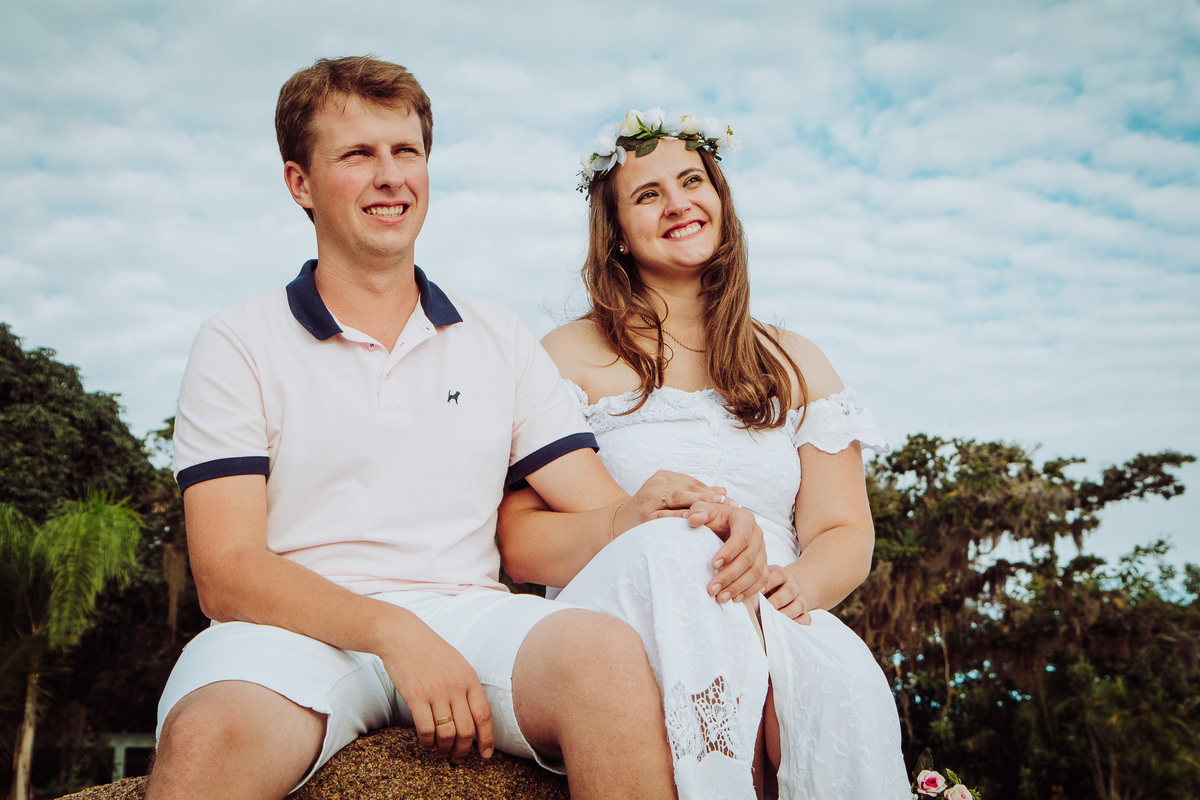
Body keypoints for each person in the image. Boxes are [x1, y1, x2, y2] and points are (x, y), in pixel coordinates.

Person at [146, 61, 769, 800]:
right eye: (357, 155)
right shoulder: (237, 339)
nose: (390, 177)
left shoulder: (498, 337)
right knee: (207, 737)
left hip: (469, 618)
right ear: (299, 184)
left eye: (406, 152)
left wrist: (672, 513)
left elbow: (596, 508)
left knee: (605, 659)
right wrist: (394, 632)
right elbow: (226, 571)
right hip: (288, 633)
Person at [498, 109, 912, 799]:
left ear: (720, 200)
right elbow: (519, 542)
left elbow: (845, 531)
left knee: (833, 680)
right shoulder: (567, 357)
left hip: (777, 609)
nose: (678, 203)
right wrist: (628, 519)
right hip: (629, 616)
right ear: (619, 234)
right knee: (688, 581)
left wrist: (795, 589)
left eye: (692, 181)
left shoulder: (794, 361)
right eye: (647, 194)